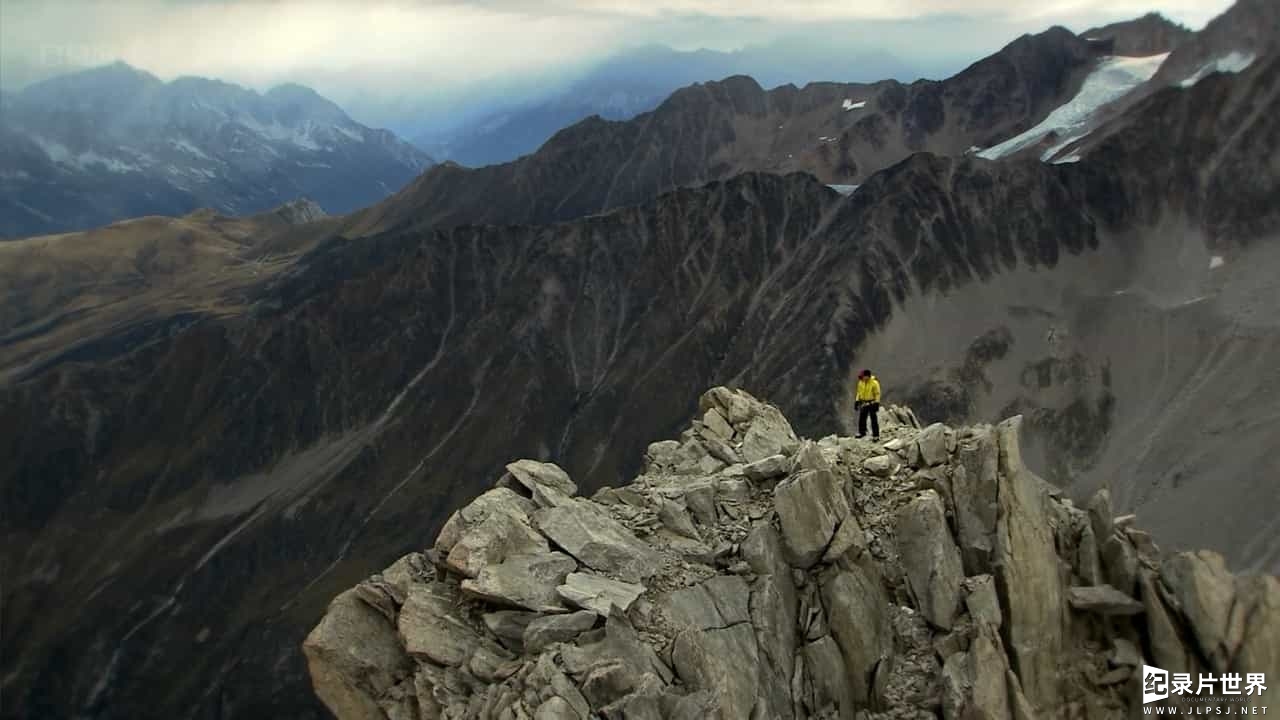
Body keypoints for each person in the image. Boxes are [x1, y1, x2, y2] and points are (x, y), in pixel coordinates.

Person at [854, 369, 881, 440]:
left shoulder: (874, 383)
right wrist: (857, 401)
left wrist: (877, 403)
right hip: (864, 402)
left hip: (872, 402)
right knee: (862, 418)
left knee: (873, 419)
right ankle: (862, 432)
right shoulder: (861, 382)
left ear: (867, 376)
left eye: (863, 377)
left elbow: (877, 394)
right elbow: (858, 392)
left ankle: (876, 435)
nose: (861, 378)